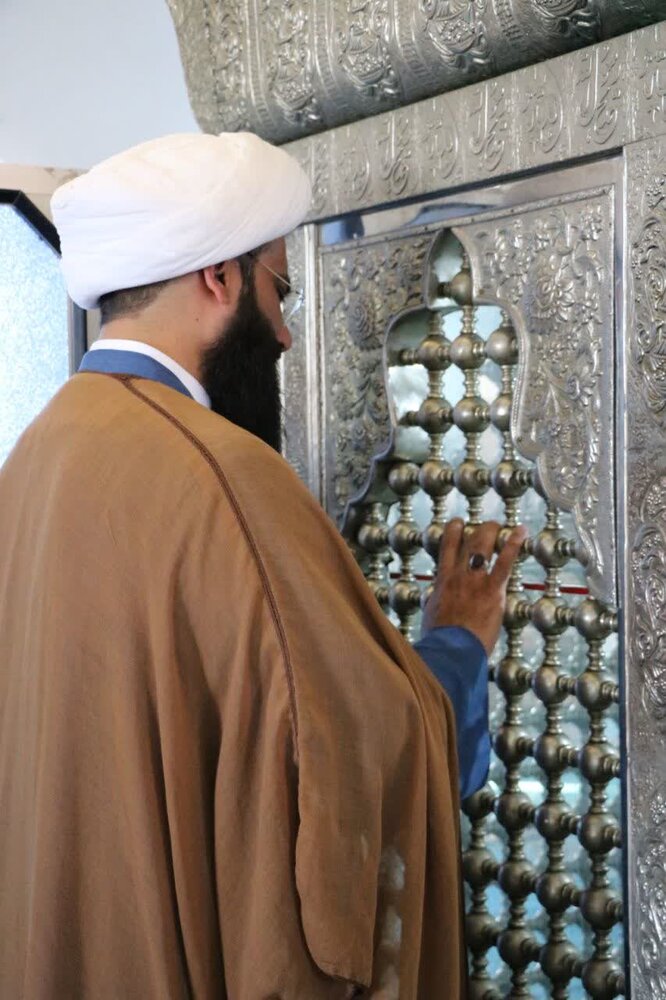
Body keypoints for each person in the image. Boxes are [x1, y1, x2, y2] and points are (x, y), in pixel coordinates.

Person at [0, 133, 525, 999]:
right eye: (279, 289)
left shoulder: (32, 459)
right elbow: (341, 764)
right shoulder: (222, 477)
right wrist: (459, 645)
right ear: (219, 276)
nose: (282, 332)